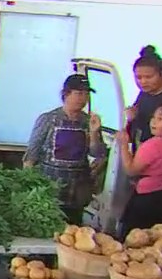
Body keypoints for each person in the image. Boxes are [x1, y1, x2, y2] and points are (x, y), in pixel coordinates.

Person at [22, 74, 107, 225]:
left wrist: (94, 132)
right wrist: (28, 182)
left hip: (77, 188)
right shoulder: (48, 119)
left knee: (74, 230)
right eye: (79, 93)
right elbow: (32, 152)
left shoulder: (89, 121)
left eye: (86, 94)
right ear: (65, 94)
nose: (83, 99)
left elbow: (97, 153)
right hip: (51, 186)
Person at [117, 104, 162, 236]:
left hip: (147, 197)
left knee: (135, 237)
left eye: (160, 119)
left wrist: (124, 145)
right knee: (159, 236)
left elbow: (131, 170)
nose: (153, 122)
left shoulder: (153, 145)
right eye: (153, 118)